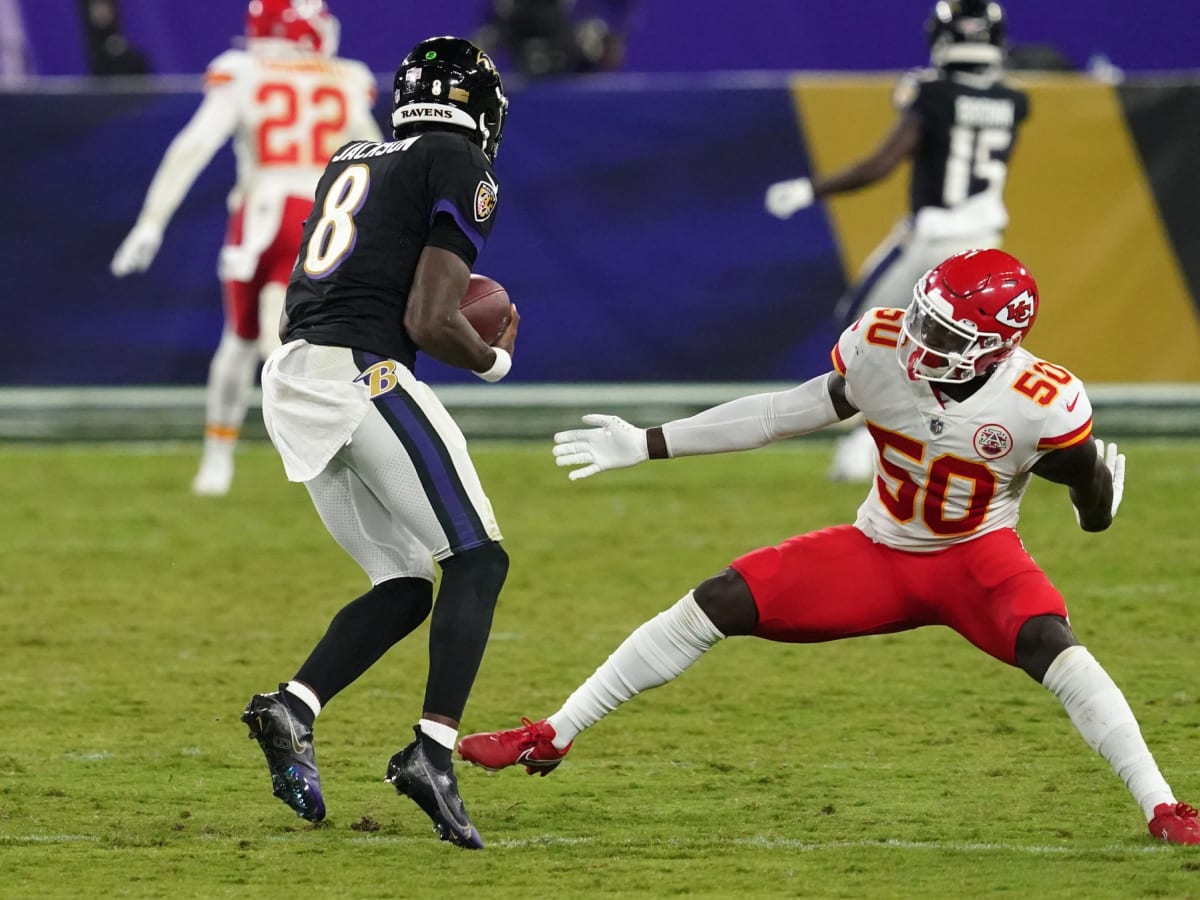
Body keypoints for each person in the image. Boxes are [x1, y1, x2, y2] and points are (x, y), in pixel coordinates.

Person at [459, 249, 1200, 846]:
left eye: (943, 336)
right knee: (719, 599)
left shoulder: (1041, 403)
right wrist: (649, 443)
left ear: (995, 348)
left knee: (1056, 646)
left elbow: (1088, 500)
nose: (918, 340)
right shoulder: (880, 347)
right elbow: (784, 413)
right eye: (922, 319)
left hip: (976, 557)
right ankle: (554, 733)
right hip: (878, 549)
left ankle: (1162, 806)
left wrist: (1101, 498)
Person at [239, 35, 515, 851]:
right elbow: (432, 319)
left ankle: (293, 706)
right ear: (479, 106)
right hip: (363, 374)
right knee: (479, 559)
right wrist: (495, 358)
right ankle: (431, 754)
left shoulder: (353, 155)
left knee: (404, 583)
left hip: (292, 372)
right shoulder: (457, 159)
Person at [110, 0, 381, 496]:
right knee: (308, 345)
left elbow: (195, 144)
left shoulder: (243, 71)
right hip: (326, 219)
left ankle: (221, 458)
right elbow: (376, 159)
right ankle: (342, 451)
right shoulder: (345, 77)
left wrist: (152, 221)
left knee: (244, 340)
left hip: (263, 216)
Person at [764, 0, 1029, 483]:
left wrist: (810, 189)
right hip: (984, 249)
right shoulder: (1015, 100)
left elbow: (881, 164)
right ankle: (971, 442)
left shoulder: (930, 95)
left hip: (933, 240)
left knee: (862, 330)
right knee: (966, 353)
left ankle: (875, 438)